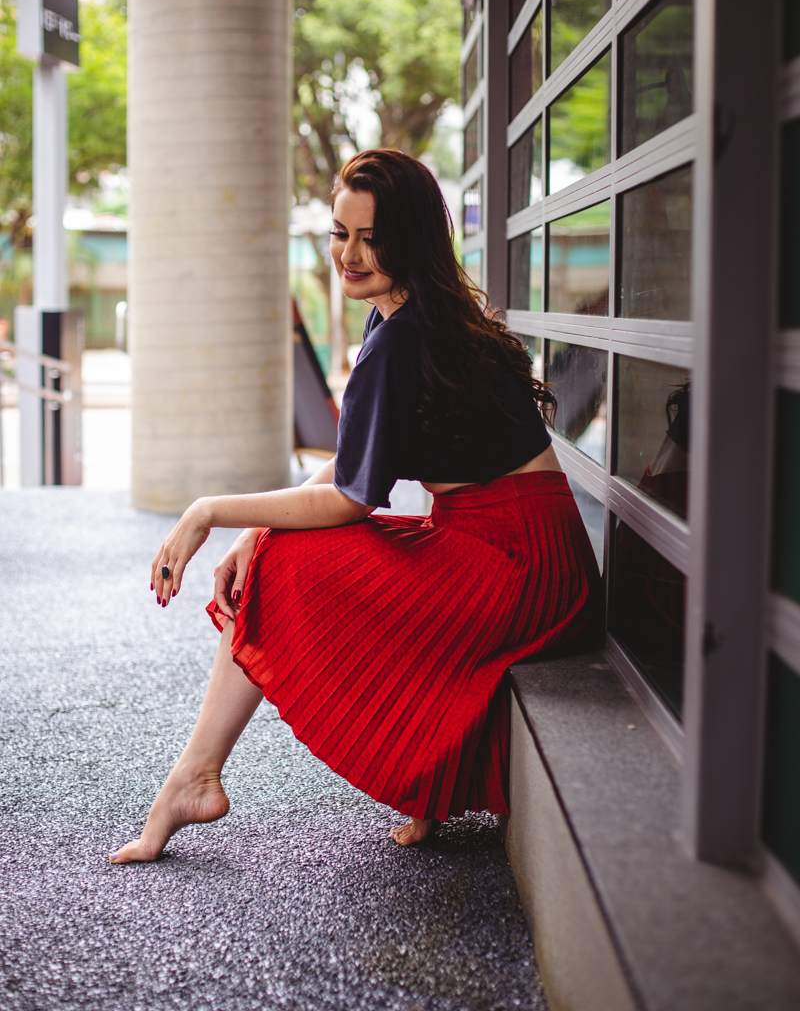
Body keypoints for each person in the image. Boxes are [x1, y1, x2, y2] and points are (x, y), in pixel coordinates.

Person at [110, 150, 601, 864]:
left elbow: (349, 499)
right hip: (540, 553)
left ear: (413, 240)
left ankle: (195, 775)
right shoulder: (423, 314)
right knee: (281, 547)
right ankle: (206, 775)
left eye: (374, 238)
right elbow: (356, 464)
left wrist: (209, 511)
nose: (351, 254)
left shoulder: (399, 338)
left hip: (516, 566)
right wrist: (256, 523)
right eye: (341, 233)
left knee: (287, 565)